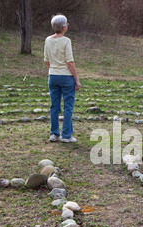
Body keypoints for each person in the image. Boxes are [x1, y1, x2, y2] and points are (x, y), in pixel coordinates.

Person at [44, 14, 81, 143]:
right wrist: (76, 79)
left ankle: (54, 134)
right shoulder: (66, 41)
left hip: (52, 76)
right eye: (67, 23)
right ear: (63, 26)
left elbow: (46, 60)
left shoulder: (48, 40)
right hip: (66, 77)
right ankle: (66, 135)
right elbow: (70, 62)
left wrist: (53, 70)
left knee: (54, 106)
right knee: (68, 106)